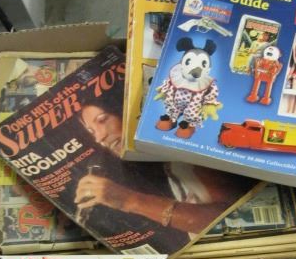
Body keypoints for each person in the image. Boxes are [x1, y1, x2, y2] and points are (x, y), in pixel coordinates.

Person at [76, 93, 254, 237]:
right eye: (92, 131)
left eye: (102, 120)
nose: (99, 137)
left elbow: (232, 218)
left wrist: (128, 200)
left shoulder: (186, 148)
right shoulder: (163, 163)